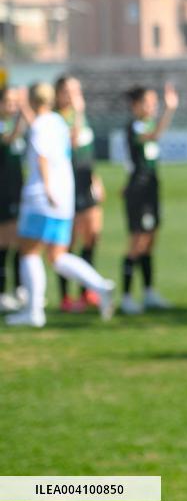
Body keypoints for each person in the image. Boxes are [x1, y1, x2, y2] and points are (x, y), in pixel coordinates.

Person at [6, 83, 113, 327]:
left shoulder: (42, 125)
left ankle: (34, 311)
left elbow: (42, 156)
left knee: (29, 252)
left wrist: (46, 189)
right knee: (56, 255)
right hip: (65, 198)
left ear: (33, 100)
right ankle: (100, 285)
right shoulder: (57, 122)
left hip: (42, 197)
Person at [121, 83, 178, 314]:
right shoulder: (135, 127)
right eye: (148, 103)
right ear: (136, 106)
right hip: (139, 192)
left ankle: (148, 293)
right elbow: (154, 135)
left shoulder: (146, 124)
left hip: (152, 190)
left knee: (150, 241)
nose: (153, 107)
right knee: (138, 242)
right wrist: (170, 109)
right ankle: (125, 296)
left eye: (155, 104)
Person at [54, 75, 104, 313]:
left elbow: (87, 152)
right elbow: (71, 144)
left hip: (86, 182)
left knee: (93, 234)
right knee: (69, 240)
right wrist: (79, 113)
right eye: (68, 91)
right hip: (68, 185)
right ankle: (65, 296)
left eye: (76, 90)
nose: (73, 95)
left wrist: (96, 178)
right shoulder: (58, 119)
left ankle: (87, 290)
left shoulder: (81, 118)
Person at [0, 86, 26, 312]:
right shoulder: (4, 126)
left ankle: (19, 288)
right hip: (4, 192)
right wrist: (23, 115)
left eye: (15, 101)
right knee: (4, 243)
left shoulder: (13, 125)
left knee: (18, 241)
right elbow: (8, 140)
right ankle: (2, 292)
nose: (13, 105)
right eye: (9, 101)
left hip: (18, 191)